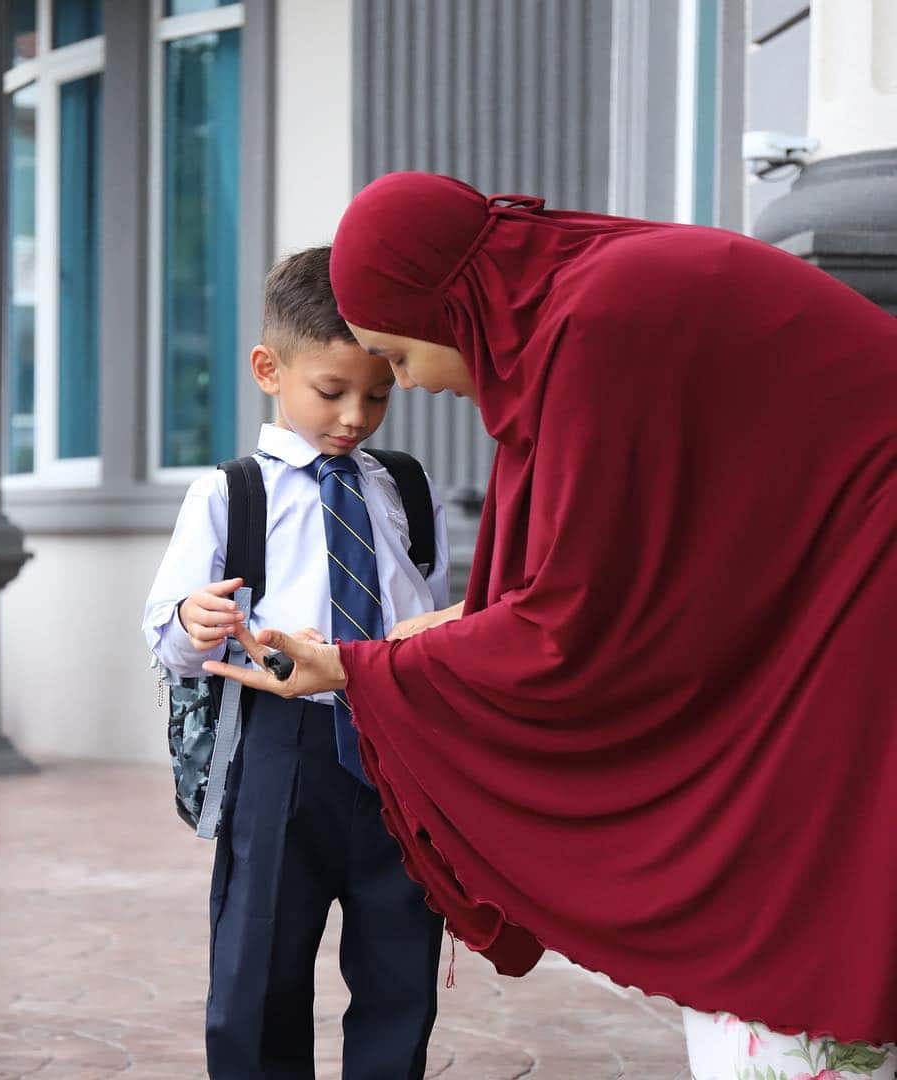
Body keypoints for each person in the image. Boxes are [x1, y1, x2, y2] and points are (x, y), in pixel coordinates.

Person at [204, 173, 897, 1078]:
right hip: (844, 592)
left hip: (863, 608)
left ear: (444, 306)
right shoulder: (590, 297)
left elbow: (567, 630)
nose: (407, 385)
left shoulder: (595, 327)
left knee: (782, 944)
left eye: (397, 357)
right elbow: (571, 591)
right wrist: (370, 658)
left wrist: (356, 673)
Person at [143, 245, 450, 1079]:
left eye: (378, 394)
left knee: (400, 967)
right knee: (258, 968)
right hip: (284, 751)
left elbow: (434, 612)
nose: (355, 416)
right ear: (268, 368)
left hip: (400, 752)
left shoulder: (404, 489)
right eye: (333, 391)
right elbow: (167, 636)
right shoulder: (229, 493)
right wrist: (192, 618)